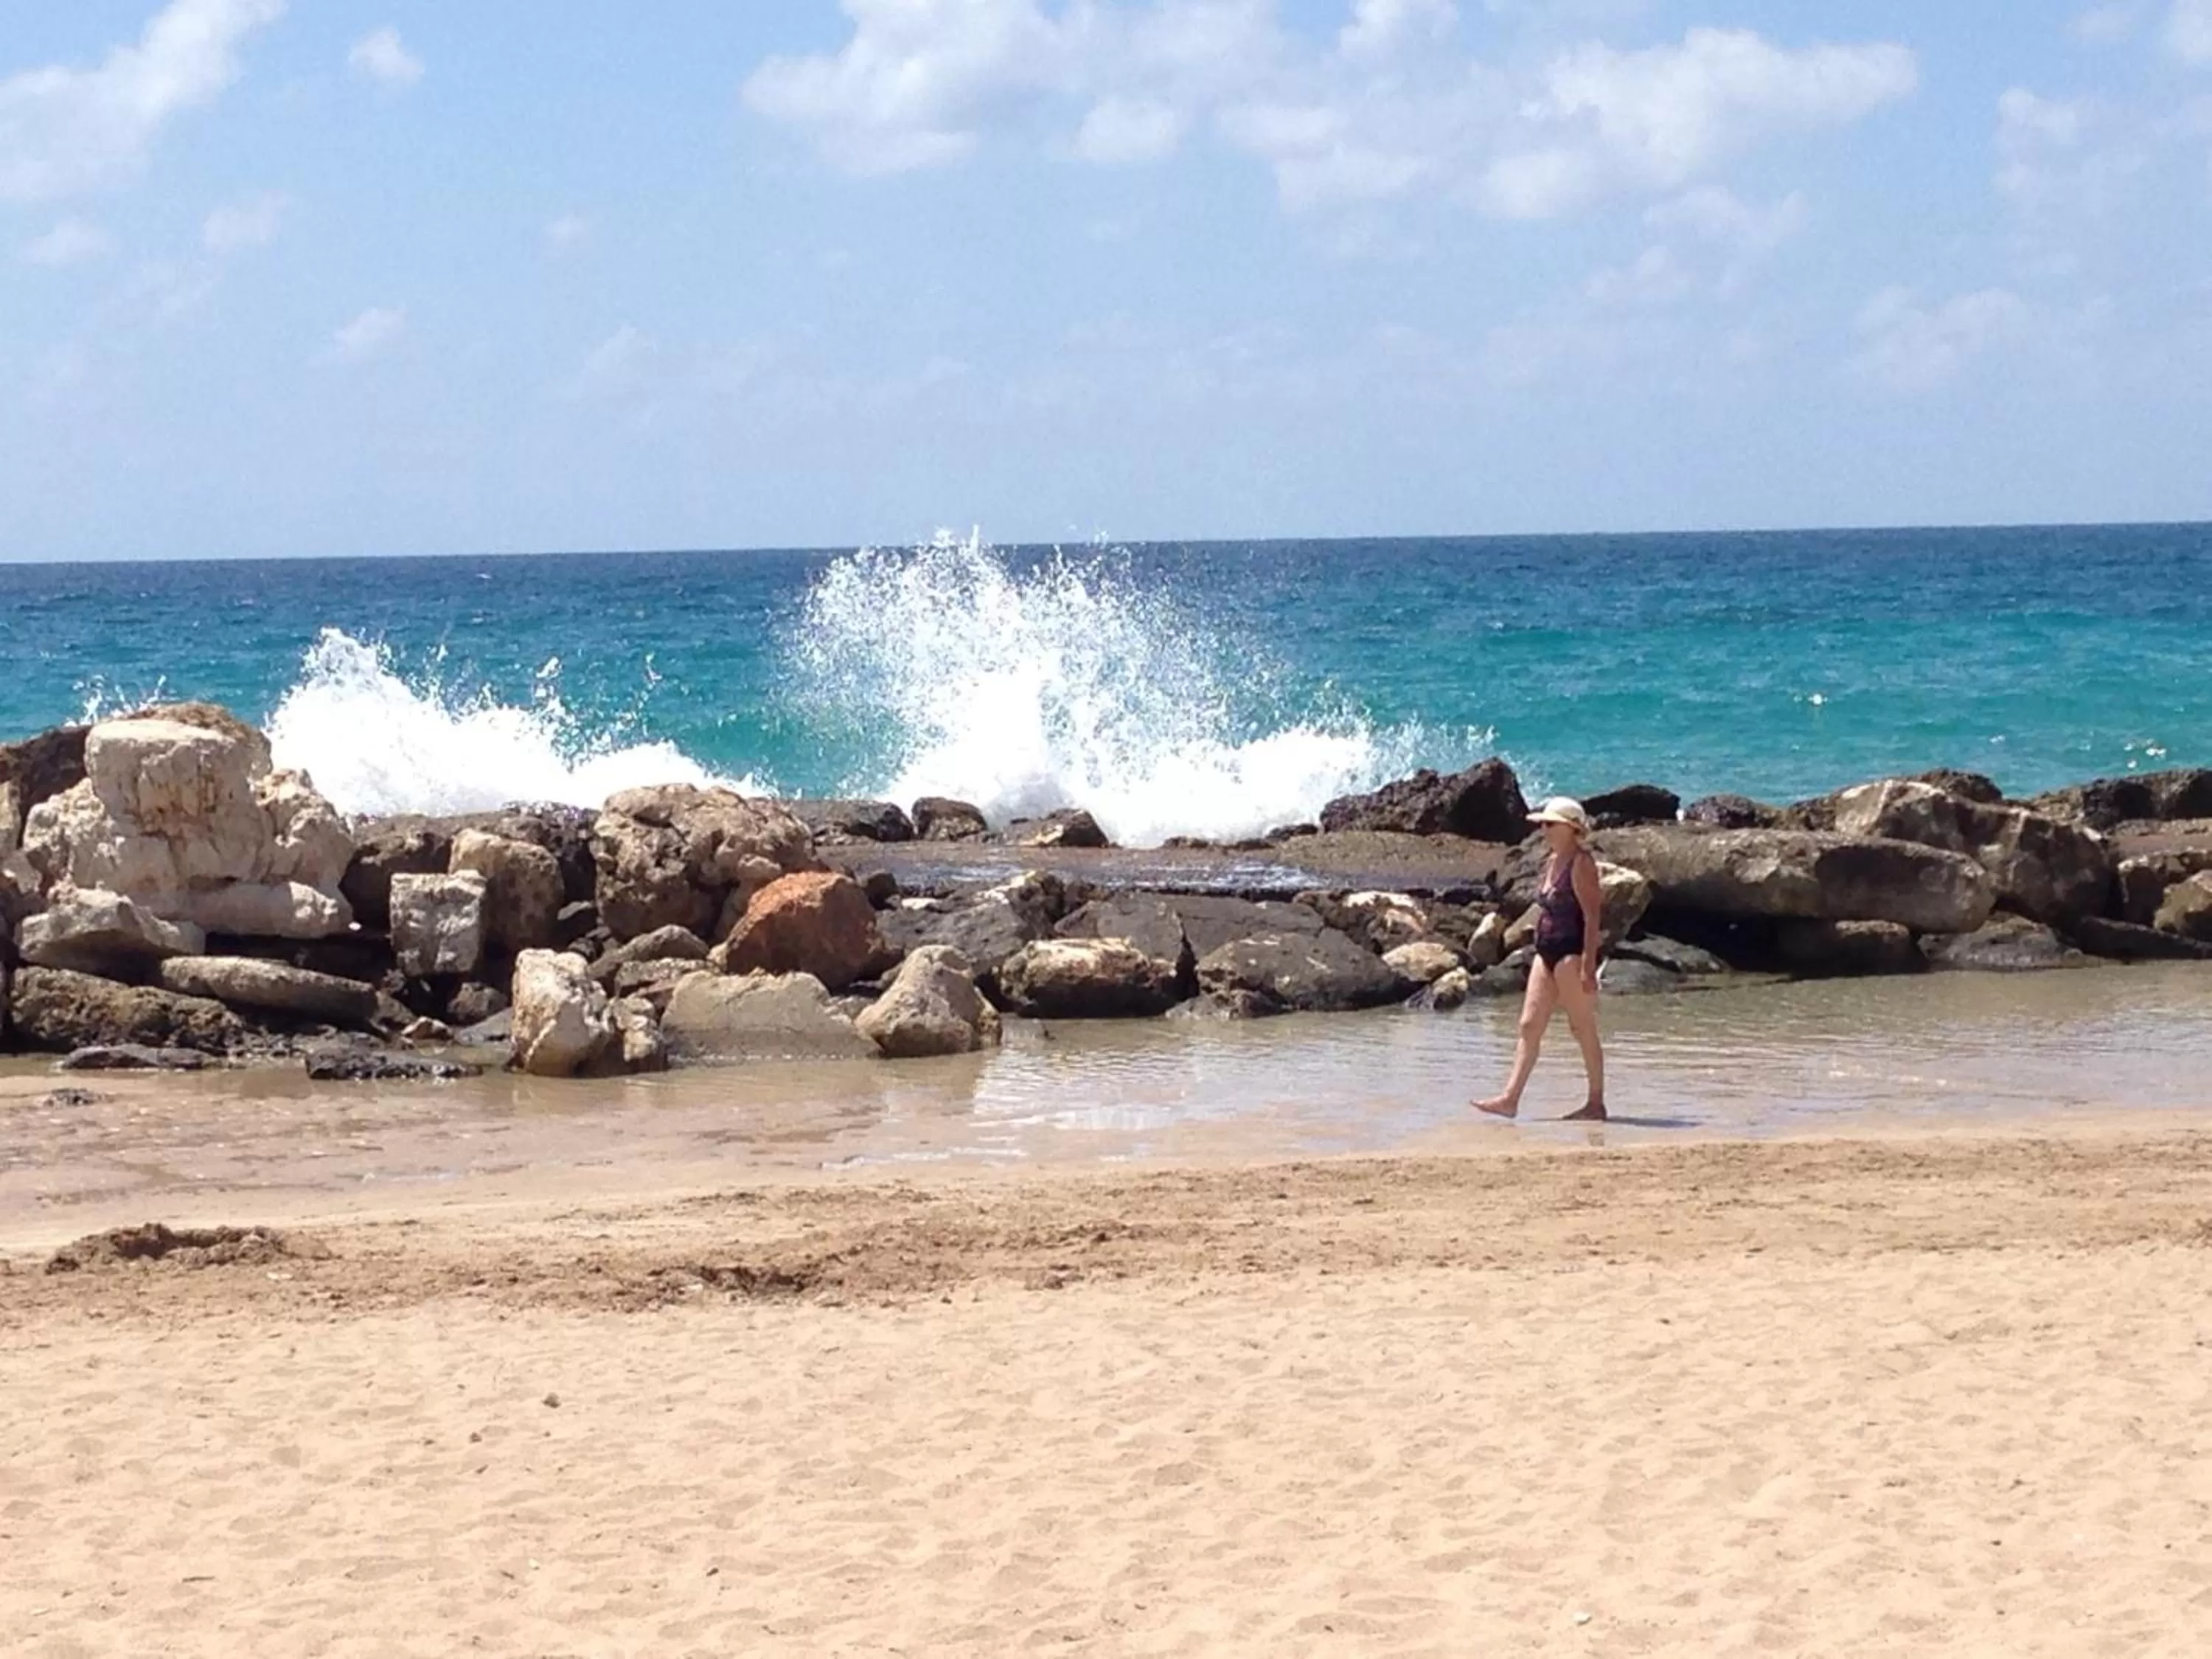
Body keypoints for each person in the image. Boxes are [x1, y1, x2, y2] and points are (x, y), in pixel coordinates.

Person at [1475, 796, 1607, 1122]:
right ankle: (1510, 1099)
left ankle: (1595, 1102)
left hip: (1570, 955)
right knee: (1528, 1025)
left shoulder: (1581, 864)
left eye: (1551, 824)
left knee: (1581, 1027)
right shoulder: (1551, 861)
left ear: (1571, 828)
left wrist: (1589, 966)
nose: (1544, 830)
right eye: (1543, 824)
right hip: (1544, 951)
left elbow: (1593, 918)